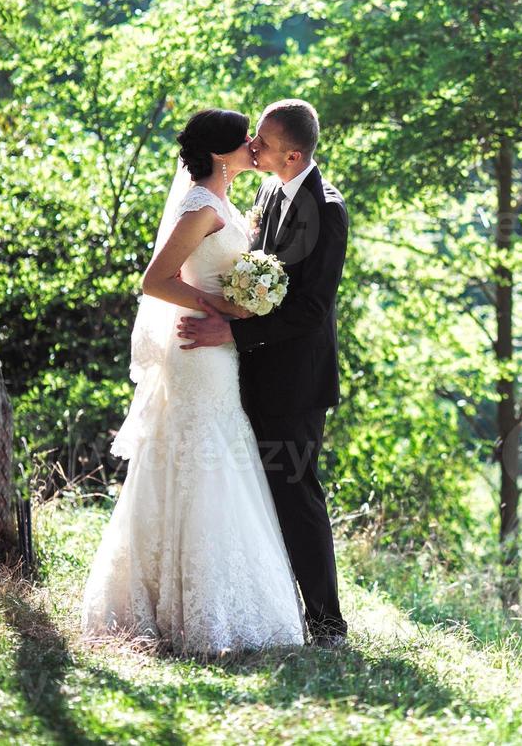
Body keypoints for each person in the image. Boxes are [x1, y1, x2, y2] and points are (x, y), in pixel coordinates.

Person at [81, 108, 305, 654]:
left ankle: (222, 595)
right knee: (196, 451)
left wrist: (239, 308)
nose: (254, 145)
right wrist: (220, 308)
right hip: (198, 349)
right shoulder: (201, 205)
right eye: (244, 139)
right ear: (219, 155)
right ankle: (179, 605)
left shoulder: (226, 203)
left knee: (218, 450)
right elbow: (155, 280)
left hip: (219, 353)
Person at [177, 99, 350, 647]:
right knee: (258, 494)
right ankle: (277, 607)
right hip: (248, 373)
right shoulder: (270, 188)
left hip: (297, 381)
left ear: (293, 154)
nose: (253, 149)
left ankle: (328, 623)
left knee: (298, 495)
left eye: (264, 144)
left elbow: (310, 309)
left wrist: (232, 332)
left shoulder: (326, 209)